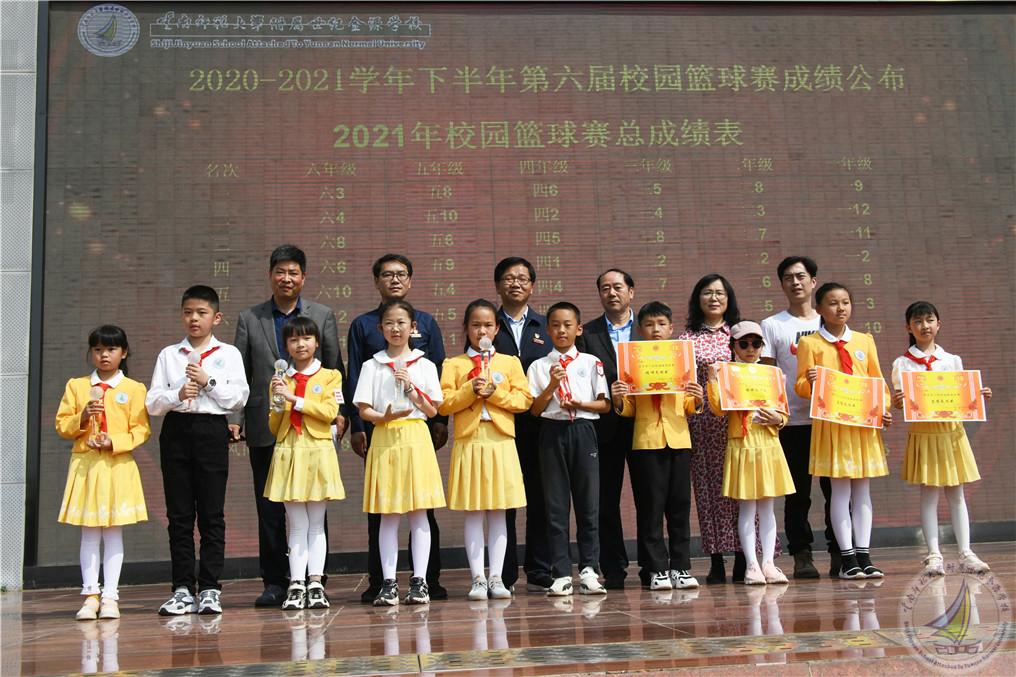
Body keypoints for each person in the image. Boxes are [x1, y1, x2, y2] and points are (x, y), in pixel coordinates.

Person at [231, 245, 345, 607]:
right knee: (269, 508)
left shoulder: (322, 315)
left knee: (313, 507)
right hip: (267, 424)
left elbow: (335, 365)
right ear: (270, 275)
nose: (286, 278)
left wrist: (341, 414)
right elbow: (241, 373)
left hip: (314, 428)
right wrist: (235, 419)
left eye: (293, 272)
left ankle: (315, 579)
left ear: (304, 277)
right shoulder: (250, 318)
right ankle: (276, 582)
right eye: (280, 272)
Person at [345, 253, 448, 603]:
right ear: (381, 328)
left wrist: (414, 392)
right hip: (384, 437)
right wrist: (374, 420)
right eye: (389, 323)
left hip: (416, 437)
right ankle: (385, 582)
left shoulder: (424, 361)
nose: (396, 328)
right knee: (386, 513)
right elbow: (361, 401)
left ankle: (422, 581)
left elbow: (434, 406)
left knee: (421, 512)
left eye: (402, 323)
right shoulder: (371, 360)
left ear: (413, 327)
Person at [146, 285, 249, 615]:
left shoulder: (228, 354)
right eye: (188, 312)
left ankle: (209, 588)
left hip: (211, 430)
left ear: (216, 318)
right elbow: (152, 403)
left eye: (202, 313)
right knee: (179, 515)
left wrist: (208, 381)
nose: (194, 319)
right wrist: (177, 394)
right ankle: (181, 589)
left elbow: (238, 398)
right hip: (176, 430)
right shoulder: (169, 355)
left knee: (211, 513)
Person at [795, 282, 892, 579]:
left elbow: (877, 382)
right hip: (832, 426)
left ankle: (864, 555)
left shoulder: (864, 341)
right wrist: (811, 382)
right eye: (833, 303)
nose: (841, 308)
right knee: (839, 490)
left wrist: (884, 408)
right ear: (820, 309)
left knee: (862, 490)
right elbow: (800, 386)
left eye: (846, 302)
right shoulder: (810, 343)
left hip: (862, 426)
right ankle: (847, 558)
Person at [890, 301, 993, 575]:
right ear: (908, 327)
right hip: (924, 434)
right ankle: (933, 554)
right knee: (929, 495)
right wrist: (897, 402)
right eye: (918, 321)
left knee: (957, 494)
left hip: (951, 433)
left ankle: (966, 552)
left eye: (929, 320)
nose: (924, 326)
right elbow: (901, 403)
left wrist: (978, 395)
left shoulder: (952, 360)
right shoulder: (902, 363)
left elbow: (961, 396)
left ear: (938, 324)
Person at [439, 299, 533, 600]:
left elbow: (524, 400)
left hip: (501, 439)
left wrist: (495, 393)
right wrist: (470, 389)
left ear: (497, 329)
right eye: (476, 325)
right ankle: (477, 578)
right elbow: (444, 403)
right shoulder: (454, 364)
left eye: (488, 325)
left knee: (499, 511)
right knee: (474, 511)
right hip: (470, 439)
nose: (482, 331)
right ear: (466, 328)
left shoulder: (509, 363)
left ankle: (496, 577)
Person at [56, 325, 151, 620]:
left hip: (117, 465)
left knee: (113, 532)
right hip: (86, 465)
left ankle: (110, 596)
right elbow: (62, 425)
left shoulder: (133, 389)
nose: (104, 355)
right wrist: (83, 417)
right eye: (97, 350)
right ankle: (90, 595)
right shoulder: (77, 386)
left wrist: (115, 442)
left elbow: (141, 430)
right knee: (89, 531)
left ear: (124, 353)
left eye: (110, 349)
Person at [611, 301, 703, 591]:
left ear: (671, 328)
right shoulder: (632, 361)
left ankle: (681, 567)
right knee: (650, 508)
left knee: (679, 507)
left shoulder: (681, 359)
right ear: (640, 329)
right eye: (649, 325)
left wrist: (697, 397)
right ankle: (657, 569)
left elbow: (688, 405)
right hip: (646, 441)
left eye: (661, 324)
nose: (656, 330)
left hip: (678, 438)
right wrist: (618, 398)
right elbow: (628, 409)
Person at [760, 256, 838, 578]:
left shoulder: (829, 320)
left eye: (801, 276)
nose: (796, 282)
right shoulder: (772, 325)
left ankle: (840, 551)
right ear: (781, 284)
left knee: (836, 491)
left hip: (831, 421)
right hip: (792, 421)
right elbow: (767, 374)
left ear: (813, 281)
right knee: (797, 494)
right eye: (789, 277)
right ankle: (801, 554)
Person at [527, 301, 611, 597]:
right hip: (552, 432)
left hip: (583, 430)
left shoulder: (591, 362)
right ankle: (561, 572)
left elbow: (605, 404)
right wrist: (552, 385)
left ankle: (589, 570)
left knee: (588, 504)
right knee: (556, 505)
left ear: (579, 329)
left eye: (567, 325)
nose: (561, 330)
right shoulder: (539, 366)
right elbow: (535, 409)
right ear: (548, 330)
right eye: (555, 325)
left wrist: (581, 404)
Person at [264, 316, 346, 610]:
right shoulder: (280, 379)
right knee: (297, 524)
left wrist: (294, 398)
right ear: (286, 345)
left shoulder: (330, 376)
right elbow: (275, 426)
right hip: (289, 451)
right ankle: (296, 584)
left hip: (318, 451)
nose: (301, 344)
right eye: (294, 340)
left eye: (306, 338)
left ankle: (315, 583)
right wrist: (277, 402)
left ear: (316, 342)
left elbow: (329, 412)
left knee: (316, 523)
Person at [679, 274, 756, 584]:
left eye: (720, 293)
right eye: (707, 293)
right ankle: (715, 559)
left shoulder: (738, 334)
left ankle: (744, 556)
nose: (714, 298)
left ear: (729, 298)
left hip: (736, 422)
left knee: (740, 489)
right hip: (701, 424)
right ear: (697, 299)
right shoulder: (686, 338)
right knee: (708, 490)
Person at [708, 321, 795, 585]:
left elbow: (783, 412)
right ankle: (752, 565)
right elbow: (718, 409)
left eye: (756, 343)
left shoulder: (772, 374)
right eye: (744, 343)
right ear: (733, 345)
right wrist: (712, 379)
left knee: (767, 507)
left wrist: (778, 420)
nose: (750, 348)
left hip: (768, 443)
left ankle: (768, 563)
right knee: (747, 508)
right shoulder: (727, 373)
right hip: (742, 442)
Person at [576, 269, 639, 589]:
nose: (612, 293)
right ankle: (613, 567)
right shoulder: (587, 334)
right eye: (605, 288)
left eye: (618, 287)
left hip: (645, 424)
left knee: (649, 499)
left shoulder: (648, 329)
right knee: (605, 500)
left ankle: (654, 566)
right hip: (605, 427)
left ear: (631, 292)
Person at [491, 256, 551, 592]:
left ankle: (540, 568)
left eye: (522, 278)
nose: (515, 283)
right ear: (498, 285)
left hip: (540, 426)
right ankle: (505, 572)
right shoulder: (488, 325)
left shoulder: (545, 326)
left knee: (540, 496)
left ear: (532, 285)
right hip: (500, 426)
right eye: (509, 278)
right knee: (504, 500)